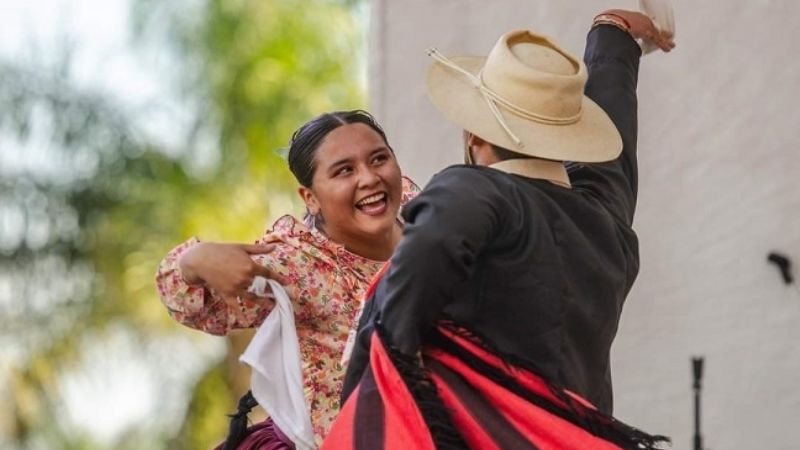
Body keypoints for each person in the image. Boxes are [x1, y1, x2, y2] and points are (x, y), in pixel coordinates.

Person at [325, 9, 675, 450]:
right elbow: (614, 137)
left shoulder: (476, 190)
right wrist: (614, 37)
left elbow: (432, 245)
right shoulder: (605, 214)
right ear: (571, 137)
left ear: (473, 136)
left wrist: (391, 361)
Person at [155, 110, 420, 448]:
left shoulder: (425, 220)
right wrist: (195, 259)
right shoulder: (298, 263)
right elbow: (184, 298)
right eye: (344, 170)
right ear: (310, 198)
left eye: (379, 159)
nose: (369, 178)